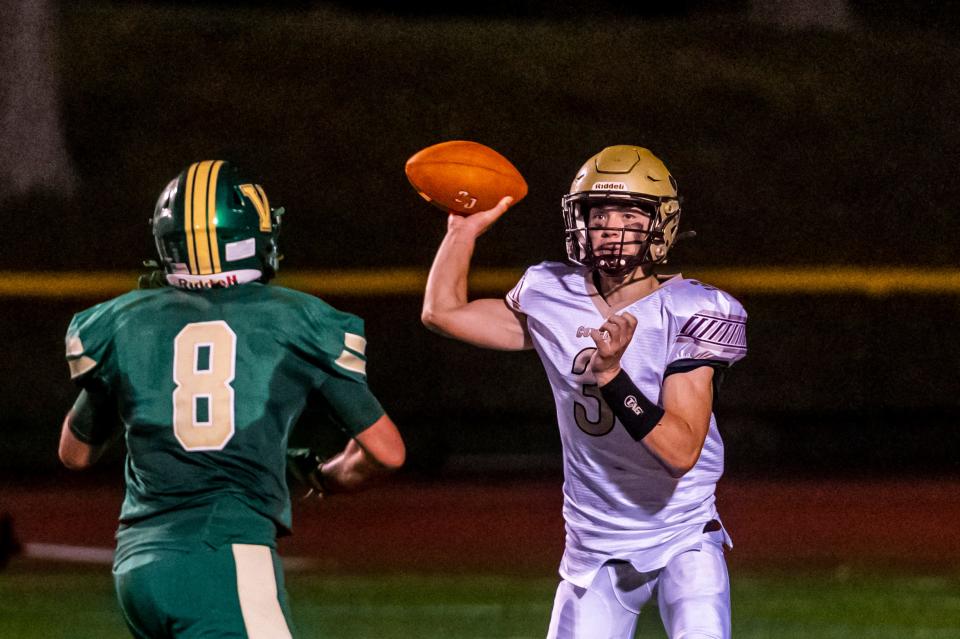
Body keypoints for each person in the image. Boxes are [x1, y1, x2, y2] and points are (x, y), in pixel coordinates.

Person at [59, 160, 406, 638]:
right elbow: (387, 451)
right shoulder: (294, 320)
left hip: (138, 566)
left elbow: (74, 454)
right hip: (224, 554)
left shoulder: (122, 321)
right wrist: (327, 476)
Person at [421, 145, 747, 638]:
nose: (611, 227)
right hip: (593, 544)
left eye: (630, 213)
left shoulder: (692, 308)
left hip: (683, 535)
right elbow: (442, 313)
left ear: (661, 224)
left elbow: (681, 451)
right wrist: (462, 232)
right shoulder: (550, 291)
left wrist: (614, 379)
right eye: (600, 213)